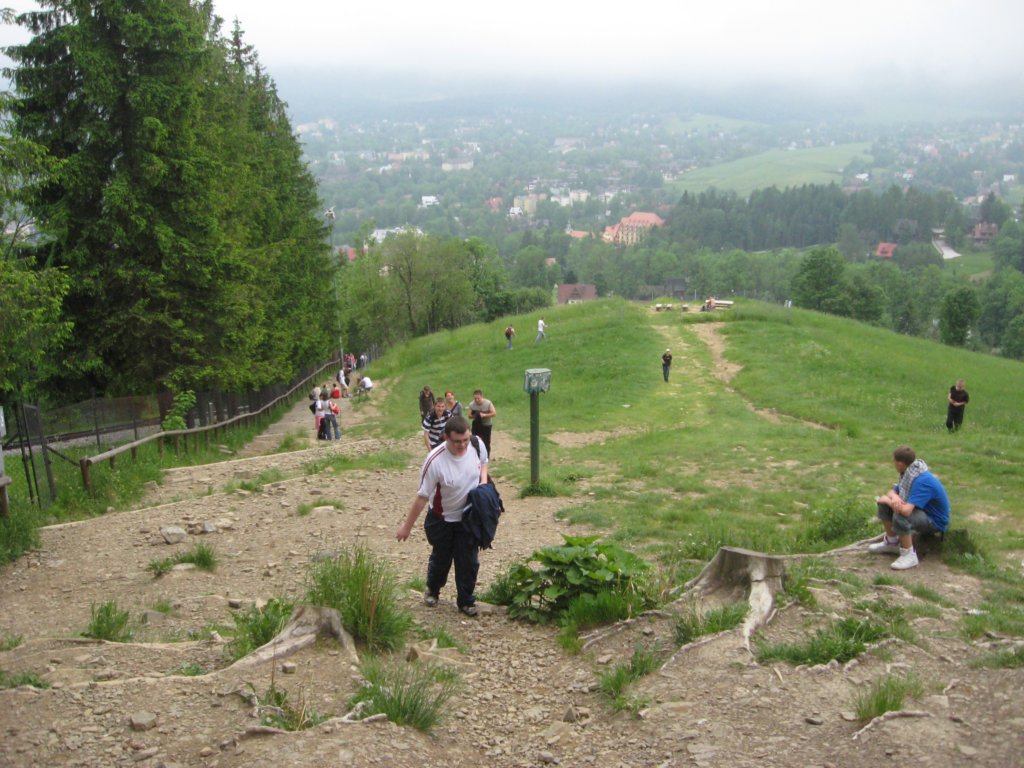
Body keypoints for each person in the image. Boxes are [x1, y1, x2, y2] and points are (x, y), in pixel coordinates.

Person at [396, 415, 488, 616]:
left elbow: (484, 463)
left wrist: (482, 484)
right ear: (446, 437)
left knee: (469, 560)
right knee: (442, 558)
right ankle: (433, 589)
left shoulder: (477, 444)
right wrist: (407, 527)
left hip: (468, 518)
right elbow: (422, 497)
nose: (462, 445)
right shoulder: (435, 460)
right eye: (457, 442)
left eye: (465, 440)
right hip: (442, 519)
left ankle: (466, 600)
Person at [868, 446, 950, 570]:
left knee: (900, 515)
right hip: (921, 512)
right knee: (883, 503)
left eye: (894, 461)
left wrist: (890, 501)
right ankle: (892, 543)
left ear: (900, 464)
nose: (893, 464)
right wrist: (894, 498)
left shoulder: (922, 481)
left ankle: (909, 555)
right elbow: (892, 491)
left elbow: (906, 511)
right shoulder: (909, 474)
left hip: (935, 520)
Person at [468, 389, 497, 457]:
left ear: (482, 396)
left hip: (486, 425)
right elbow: (469, 416)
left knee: (486, 441)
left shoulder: (488, 403)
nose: (477, 400)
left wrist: (484, 415)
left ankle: (486, 456)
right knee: (475, 440)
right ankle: (476, 454)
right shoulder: (472, 404)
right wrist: (476, 415)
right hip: (476, 425)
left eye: (478, 398)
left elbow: (494, 413)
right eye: (475, 398)